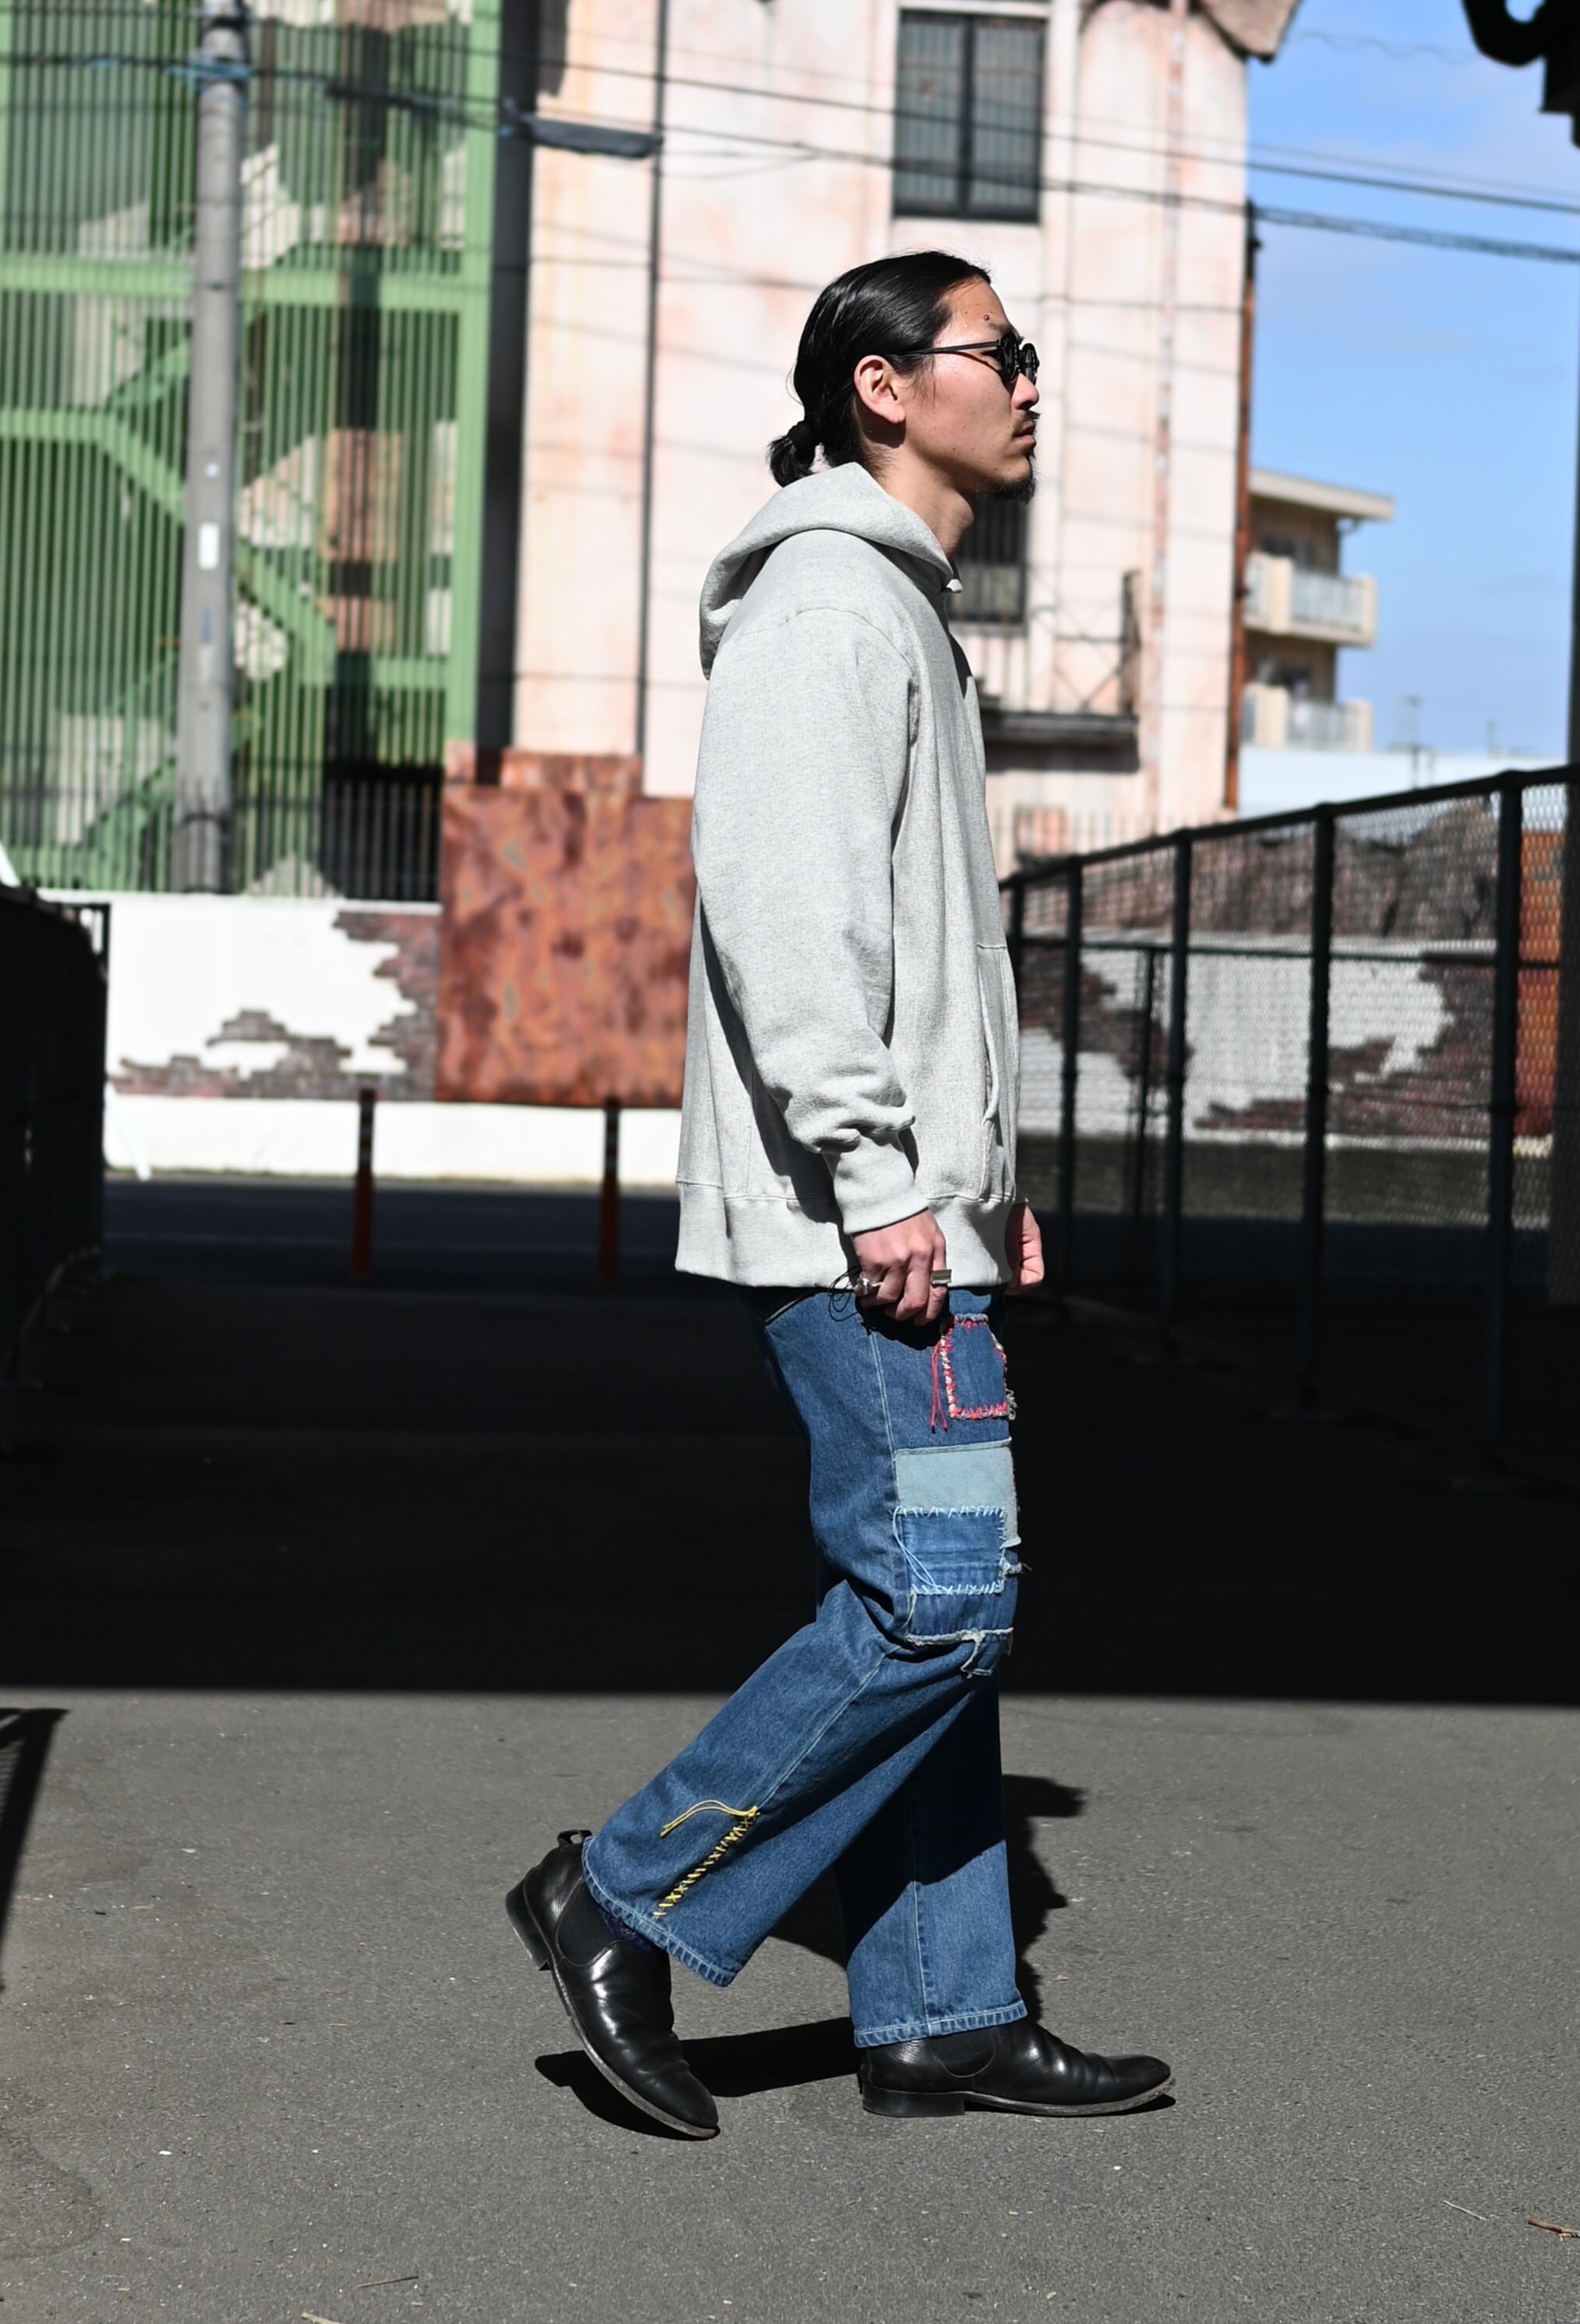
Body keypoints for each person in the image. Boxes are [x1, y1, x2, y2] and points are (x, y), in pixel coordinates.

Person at [506, 251, 1172, 2137]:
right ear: (884, 387)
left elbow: (922, 944)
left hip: (910, 1210)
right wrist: (883, 1178)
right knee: (940, 1600)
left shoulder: (893, 608)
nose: (1028, 382)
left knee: (936, 1603)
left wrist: (977, 1180)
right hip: (849, 1222)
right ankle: (619, 1893)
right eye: (997, 351)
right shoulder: (824, 605)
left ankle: (944, 2009)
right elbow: (791, 923)